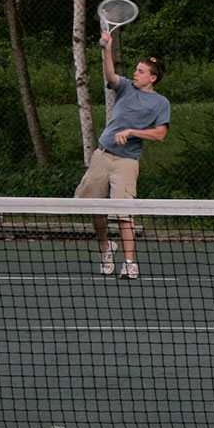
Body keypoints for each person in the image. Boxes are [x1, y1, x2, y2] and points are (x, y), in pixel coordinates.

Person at [74, 31, 169, 279]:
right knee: (94, 206)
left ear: (152, 78)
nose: (135, 74)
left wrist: (132, 132)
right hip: (102, 155)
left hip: (127, 162)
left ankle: (129, 263)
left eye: (141, 71)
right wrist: (107, 49)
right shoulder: (125, 87)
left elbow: (160, 134)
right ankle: (106, 248)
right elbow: (110, 74)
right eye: (136, 70)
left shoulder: (161, 103)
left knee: (124, 213)